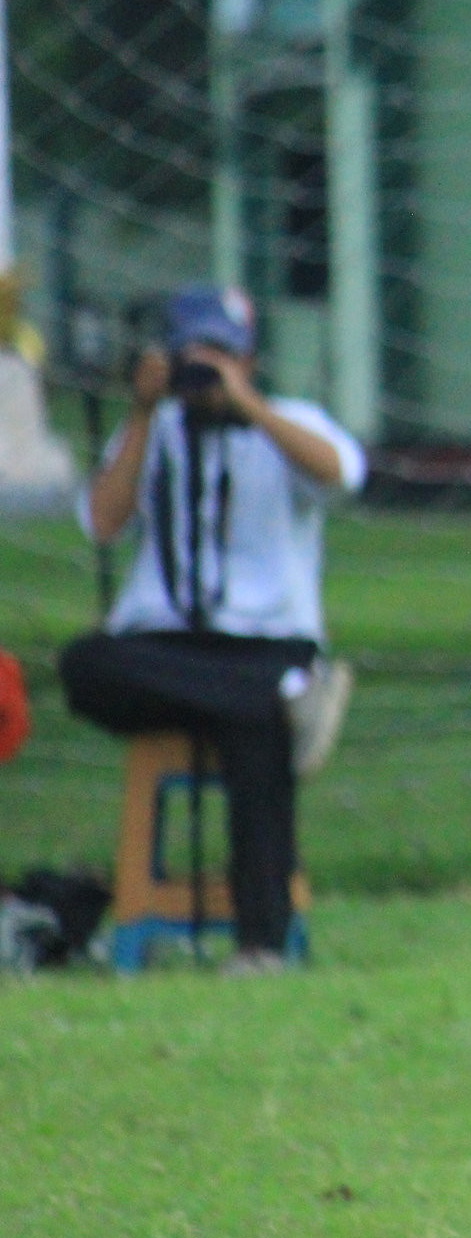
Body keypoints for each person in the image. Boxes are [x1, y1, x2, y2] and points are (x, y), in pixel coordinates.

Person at [58, 284, 363, 972]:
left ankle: (261, 944)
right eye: (193, 355)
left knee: (251, 729)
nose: (206, 371)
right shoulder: (152, 429)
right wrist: (142, 411)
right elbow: (104, 523)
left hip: (266, 641)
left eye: (221, 356)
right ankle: (288, 702)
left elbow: (343, 474)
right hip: (167, 647)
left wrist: (247, 407)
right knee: (85, 662)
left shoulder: (289, 420)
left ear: (249, 360)